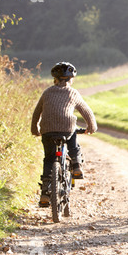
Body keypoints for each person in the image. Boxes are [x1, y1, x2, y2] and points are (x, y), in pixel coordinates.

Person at [31, 62, 97, 207]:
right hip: (67, 127)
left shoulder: (47, 92)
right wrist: (92, 127)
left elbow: (37, 113)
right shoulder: (73, 92)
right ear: (70, 79)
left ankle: (45, 193)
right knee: (72, 136)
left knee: (49, 159)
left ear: (55, 79)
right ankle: (76, 164)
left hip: (47, 129)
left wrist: (35, 129)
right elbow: (86, 111)